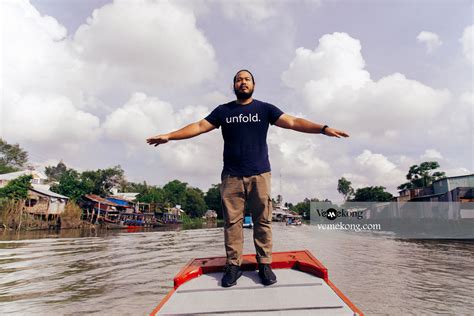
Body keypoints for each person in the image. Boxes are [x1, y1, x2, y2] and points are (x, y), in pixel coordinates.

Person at [146, 69, 349, 288]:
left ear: (253, 84)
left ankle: (264, 264)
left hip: (259, 173)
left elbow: (292, 121)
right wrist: (170, 136)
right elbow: (198, 126)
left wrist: (323, 129)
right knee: (232, 223)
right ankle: (233, 265)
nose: (243, 82)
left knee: (263, 220)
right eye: (239, 80)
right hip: (231, 175)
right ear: (233, 85)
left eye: (247, 79)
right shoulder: (223, 111)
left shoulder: (264, 109)